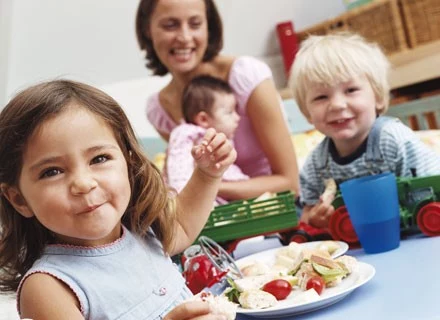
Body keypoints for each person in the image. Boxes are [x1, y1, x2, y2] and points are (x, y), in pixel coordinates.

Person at [0, 79, 236, 320]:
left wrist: (207, 175)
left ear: (128, 163)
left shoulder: (138, 229)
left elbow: (182, 227)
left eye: (99, 159)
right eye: (52, 171)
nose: (83, 183)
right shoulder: (48, 288)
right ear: (19, 200)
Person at [135, 0, 299, 201]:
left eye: (195, 24)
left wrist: (209, 184)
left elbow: (291, 183)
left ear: (209, 27)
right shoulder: (158, 110)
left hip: (276, 208)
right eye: (170, 25)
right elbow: (186, 169)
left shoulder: (245, 76)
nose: (185, 37)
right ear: (147, 29)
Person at [288, 32, 440, 228]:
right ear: (306, 112)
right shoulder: (317, 164)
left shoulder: (392, 140)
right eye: (321, 97)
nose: (337, 104)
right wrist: (316, 218)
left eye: (350, 90)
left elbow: (430, 189)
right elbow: (306, 213)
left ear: (377, 97)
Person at [166, 75, 249, 204]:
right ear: (203, 119)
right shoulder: (186, 134)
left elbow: (229, 173)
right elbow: (179, 173)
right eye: (229, 112)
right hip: (195, 206)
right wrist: (183, 203)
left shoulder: (222, 140)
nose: (237, 117)